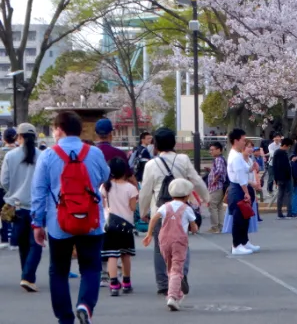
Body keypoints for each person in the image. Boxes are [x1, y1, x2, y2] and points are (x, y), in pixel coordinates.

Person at [31, 111, 110, 324]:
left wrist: (37, 223)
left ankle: (65, 319)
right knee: (91, 267)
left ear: (59, 129)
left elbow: (38, 192)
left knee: (58, 270)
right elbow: (104, 176)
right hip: (90, 220)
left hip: (59, 222)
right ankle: (85, 305)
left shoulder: (48, 155)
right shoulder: (94, 153)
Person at [138, 128, 208, 297]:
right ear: (174, 143)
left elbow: (146, 191)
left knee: (159, 247)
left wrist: (143, 211)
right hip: (181, 210)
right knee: (182, 244)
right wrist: (205, 197)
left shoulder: (151, 164)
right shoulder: (182, 159)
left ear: (156, 145)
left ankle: (163, 283)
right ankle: (180, 275)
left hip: (160, 210)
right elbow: (196, 180)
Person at [142, 178, 198, 311]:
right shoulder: (187, 209)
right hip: (179, 241)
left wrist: (149, 234)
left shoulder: (165, 206)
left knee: (170, 267)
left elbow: (154, 218)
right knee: (177, 269)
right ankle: (172, 297)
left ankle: (177, 293)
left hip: (164, 240)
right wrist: (194, 229)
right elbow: (194, 227)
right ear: (187, 195)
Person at [1, 123, 43, 292]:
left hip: (17, 205)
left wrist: (12, 193)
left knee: (24, 243)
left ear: (19, 137)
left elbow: (4, 181)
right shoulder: (42, 155)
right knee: (36, 243)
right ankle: (28, 276)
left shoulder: (11, 156)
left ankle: (26, 275)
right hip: (37, 206)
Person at [99, 157, 138, 297]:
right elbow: (133, 208)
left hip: (109, 225)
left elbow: (102, 204)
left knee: (112, 255)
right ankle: (126, 282)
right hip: (126, 226)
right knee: (125, 254)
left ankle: (114, 283)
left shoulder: (105, 186)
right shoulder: (131, 188)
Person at [225, 129, 260, 255]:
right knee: (239, 217)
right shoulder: (235, 156)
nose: (244, 143)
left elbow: (245, 170)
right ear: (236, 140)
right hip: (238, 188)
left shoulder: (237, 155)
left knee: (245, 216)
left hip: (240, 188)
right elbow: (240, 177)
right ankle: (236, 245)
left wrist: (252, 168)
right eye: (243, 140)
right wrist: (246, 192)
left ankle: (244, 241)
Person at [95, 119, 137, 187]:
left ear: (96, 134)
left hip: (95, 193)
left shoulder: (90, 153)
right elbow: (130, 177)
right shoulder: (119, 153)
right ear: (111, 134)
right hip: (117, 193)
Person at [0, 126, 17, 249]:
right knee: (16, 211)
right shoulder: (20, 152)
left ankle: (4, 237)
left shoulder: (1, 152)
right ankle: (15, 238)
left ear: (4, 138)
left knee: (3, 211)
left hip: (1, 186)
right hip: (17, 186)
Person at [206, 142, 227, 233]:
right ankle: (220, 225)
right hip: (220, 186)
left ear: (219, 150)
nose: (211, 152)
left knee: (213, 205)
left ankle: (215, 227)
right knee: (219, 206)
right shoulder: (221, 159)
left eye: (212, 150)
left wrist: (215, 179)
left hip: (216, 186)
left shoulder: (218, 159)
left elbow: (219, 171)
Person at [271, 138, 294, 219]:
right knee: (288, 194)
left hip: (280, 177)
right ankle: (289, 212)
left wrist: (276, 178)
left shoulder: (277, 153)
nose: (288, 148)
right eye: (288, 146)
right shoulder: (282, 153)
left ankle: (280, 213)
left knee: (281, 194)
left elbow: (275, 166)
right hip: (285, 177)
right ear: (285, 145)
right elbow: (283, 166)